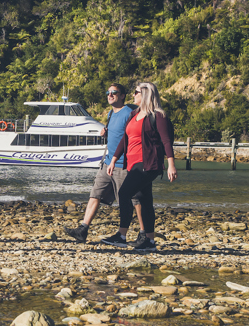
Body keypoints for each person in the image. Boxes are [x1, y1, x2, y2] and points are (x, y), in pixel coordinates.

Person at [64, 83, 144, 246]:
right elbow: (115, 133)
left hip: (123, 164)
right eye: (108, 92)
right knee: (95, 194)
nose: (110, 94)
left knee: (133, 200)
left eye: (114, 92)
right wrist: (106, 131)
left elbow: (132, 134)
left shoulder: (129, 113)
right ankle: (83, 229)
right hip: (107, 162)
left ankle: (143, 233)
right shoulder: (110, 113)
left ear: (122, 96)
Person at [105, 81, 177, 252]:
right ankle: (149, 241)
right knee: (145, 200)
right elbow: (125, 139)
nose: (133, 95)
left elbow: (166, 141)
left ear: (145, 94)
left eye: (136, 92)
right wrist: (114, 159)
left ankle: (122, 236)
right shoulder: (134, 114)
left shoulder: (157, 116)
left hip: (148, 163)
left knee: (124, 192)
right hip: (132, 162)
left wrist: (171, 164)